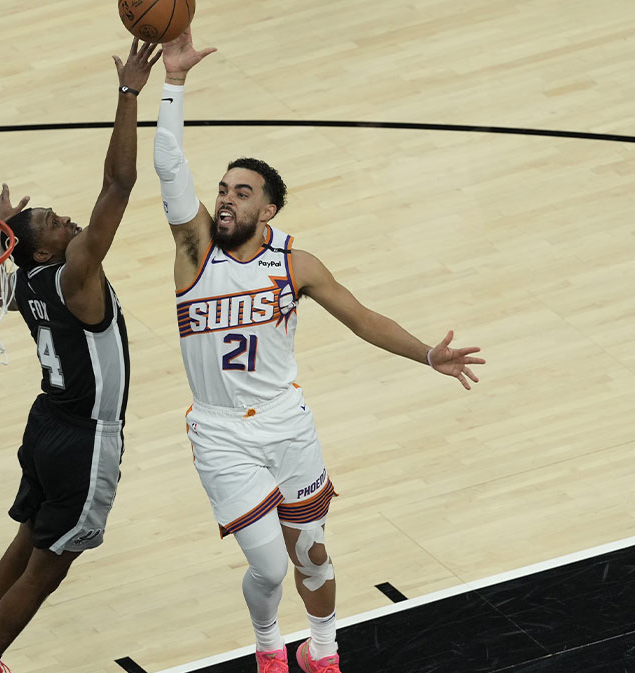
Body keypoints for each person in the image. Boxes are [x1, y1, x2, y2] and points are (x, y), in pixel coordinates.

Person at [153, 29, 486, 673]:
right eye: (223, 188)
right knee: (269, 565)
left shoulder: (295, 264)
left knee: (313, 554)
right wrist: (173, 82)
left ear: (269, 207)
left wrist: (426, 355)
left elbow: (361, 319)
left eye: (241, 191)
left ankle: (324, 650)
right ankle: (268, 641)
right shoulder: (194, 252)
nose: (225, 197)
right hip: (220, 433)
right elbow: (168, 163)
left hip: (287, 422)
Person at [0, 39, 159, 673]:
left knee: (27, 536)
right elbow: (120, 181)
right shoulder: (73, 275)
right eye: (59, 224)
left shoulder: (22, 282)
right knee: (50, 565)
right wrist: (129, 93)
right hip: (86, 439)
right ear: (42, 251)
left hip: (45, 428)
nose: (70, 225)